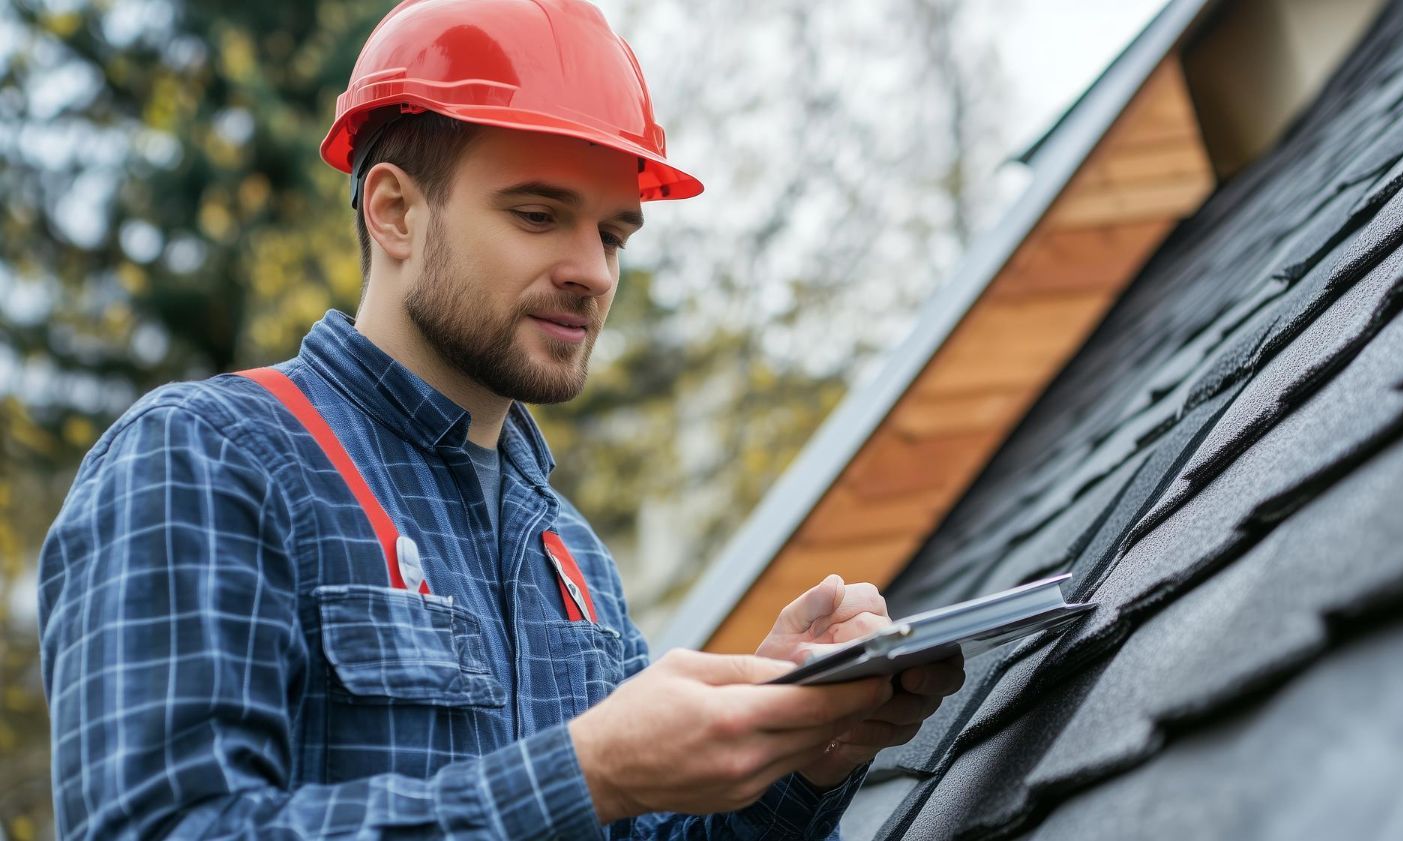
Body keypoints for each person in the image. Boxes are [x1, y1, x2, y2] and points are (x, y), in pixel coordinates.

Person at [36, 0, 964, 838]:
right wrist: (586, 771)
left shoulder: (571, 554)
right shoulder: (205, 459)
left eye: (610, 234)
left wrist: (793, 757)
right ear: (394, 209)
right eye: (537, 214)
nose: (594, 272)